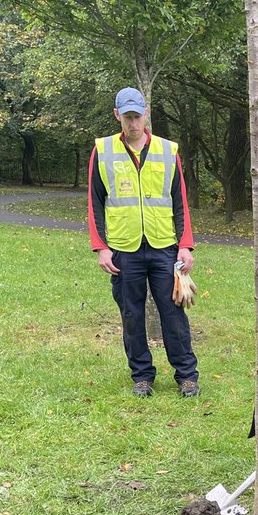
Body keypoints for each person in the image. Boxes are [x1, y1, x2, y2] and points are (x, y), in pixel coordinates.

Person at [88, 86, 200, 398]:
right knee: (132, 315)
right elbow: (95, 203)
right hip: (124, 250)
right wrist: (101, 247)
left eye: (138, 116)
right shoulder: (103, 150)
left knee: (173, 312)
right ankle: (142, 376)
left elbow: (181, 202)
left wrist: (185, 245)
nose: (133, 123)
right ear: (117, 116)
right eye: (127, 117)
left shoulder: (168, 151)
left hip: (164, 247)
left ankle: (187, 376)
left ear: (146, 114)